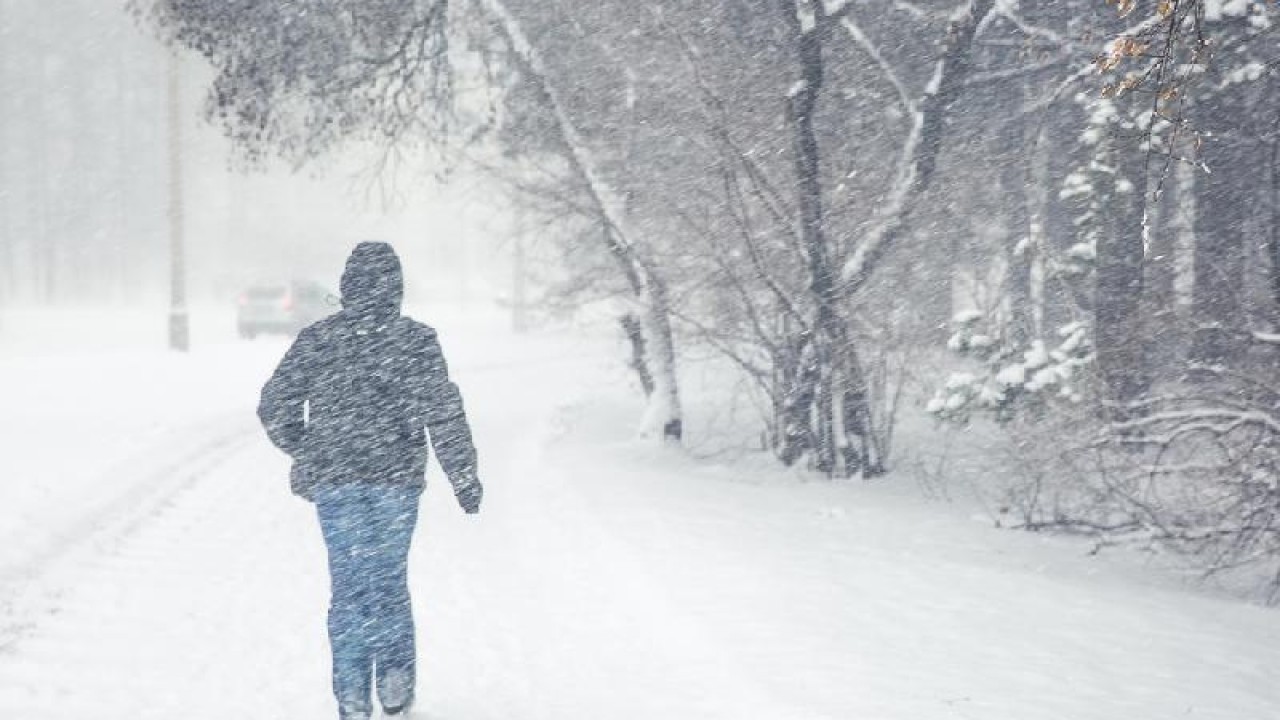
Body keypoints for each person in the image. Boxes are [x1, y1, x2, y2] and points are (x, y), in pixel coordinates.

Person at [257, 241, 482, 720]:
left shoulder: (319, 340)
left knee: (349, 585)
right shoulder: (417, 341)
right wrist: (463, 475)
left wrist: (308, 448)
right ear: (397, 288)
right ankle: (396, 685)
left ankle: (352, 696)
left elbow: (275, 404)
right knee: (388, 582)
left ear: (346, 287)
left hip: (337, 482)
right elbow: (444, 413)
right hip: (395, 481)